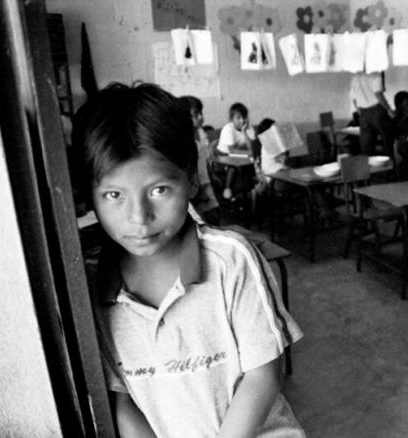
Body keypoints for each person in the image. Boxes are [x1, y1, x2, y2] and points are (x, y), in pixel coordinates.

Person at [78, 83, 304, 437]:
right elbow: (122, 401)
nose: (139, 216)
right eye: (114, 195)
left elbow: (263, 374)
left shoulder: (231, 260)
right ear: (90, 199)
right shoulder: (93, 289)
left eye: (158, 190)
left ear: (191, 178)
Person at [179, 95, 220, 224]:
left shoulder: (200, 136)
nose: (201, 117)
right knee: (202, 221)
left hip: (205, 182)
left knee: (213, 216)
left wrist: (213, 176)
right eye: (196, 114)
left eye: (201, 113)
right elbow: (189, 168)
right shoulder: (185, 141)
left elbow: (205, 160)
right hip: (196, 188)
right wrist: (200, 191)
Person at [216, 102, 257, 200]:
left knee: (253, 161)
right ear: (232, 119)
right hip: (223, 156)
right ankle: (227, 189)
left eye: (244, 117)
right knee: (234, 164)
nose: (242, 120)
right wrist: (249, 153)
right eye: (238, 118)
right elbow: (231, 150)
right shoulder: (228, 128)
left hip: (238, 155)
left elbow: (252, 148)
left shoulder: (248, 127)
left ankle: (253, 189)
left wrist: (244, 132)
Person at [349, 72, 395, 157]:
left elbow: (353, 97)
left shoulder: (356, 76)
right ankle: (390, 168)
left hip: (363, 113)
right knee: (387, 143)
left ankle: (370, 169)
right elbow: (378, 94)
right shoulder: (376, 74)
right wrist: (388, 109)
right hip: (377, 111)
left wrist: (359, 110)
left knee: (367, 147)